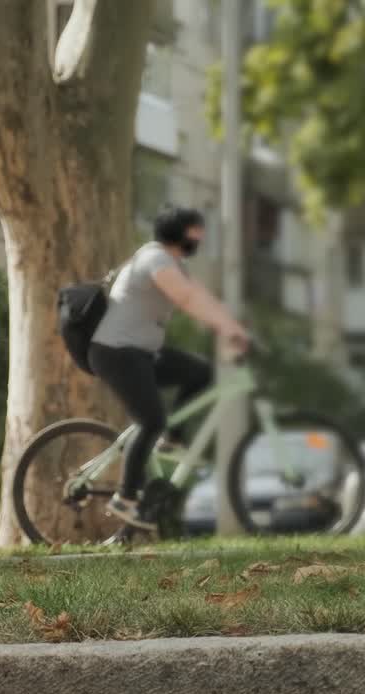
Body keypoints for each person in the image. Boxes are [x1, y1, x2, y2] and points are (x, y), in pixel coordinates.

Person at [88, 206, 250, 531]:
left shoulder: (174, 264)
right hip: (116, 352)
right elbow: (187, 298)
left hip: (143, 353)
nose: (200, 237)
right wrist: (228, 329)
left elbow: (200, 296)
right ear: (180, 232)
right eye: (196, 231)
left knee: (201, 372)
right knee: (151, 420)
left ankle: (172, 440)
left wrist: (232, 328)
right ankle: (126, 496)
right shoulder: (154, 258)